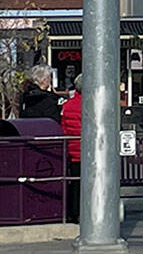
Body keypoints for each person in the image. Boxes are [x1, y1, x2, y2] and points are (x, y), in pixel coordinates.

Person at [60, 73, 83, 224]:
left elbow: (64, 128)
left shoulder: (67, 106)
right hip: (88, 151)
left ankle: (73, 214)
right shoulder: (93, 105)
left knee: (75, 184)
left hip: (72, 149)